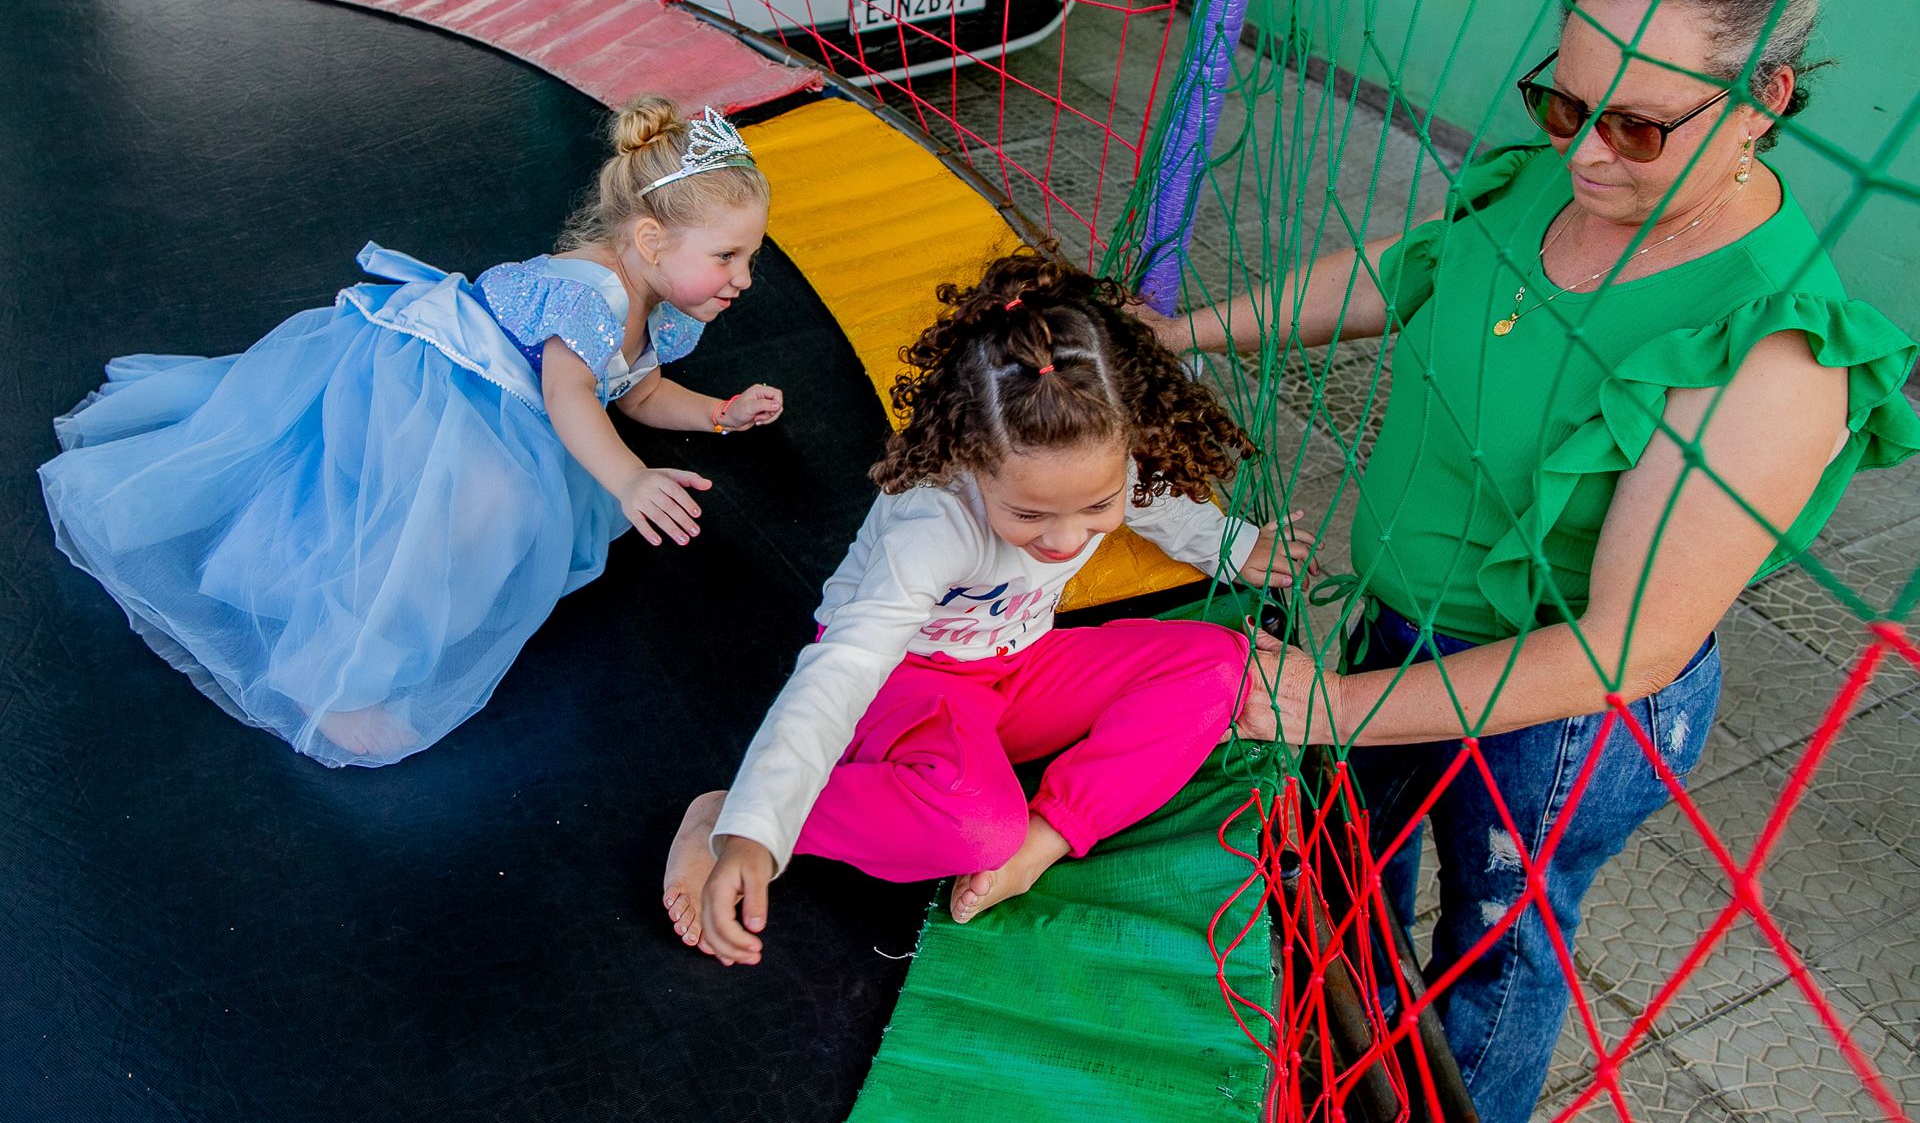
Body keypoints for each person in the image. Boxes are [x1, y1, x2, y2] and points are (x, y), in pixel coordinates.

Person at [1150, 0, 1920, 1123]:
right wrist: (1179, 333)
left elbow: (1630, 644)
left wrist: (1336, 705)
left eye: (1635, 124)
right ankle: (1325, 1072)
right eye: (1562, 104)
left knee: (1493, 949)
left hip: (1561, 715)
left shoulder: (1772, 352)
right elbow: (1411, 269)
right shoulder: (1558, 189)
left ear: (1766, 96)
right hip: (1405, 625)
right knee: (1343, 884)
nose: (1586, 155)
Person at [40, 97, 784, 768]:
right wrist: (626, 478)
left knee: (498, 501)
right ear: (651, 240)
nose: (743, 277)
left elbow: (640, 389)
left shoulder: (663, 307)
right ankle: (327, 676)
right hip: (441, 385)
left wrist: (717, 412)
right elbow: (570, 396)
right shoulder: (588, 294)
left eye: (749, 256)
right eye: (726, 256)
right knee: (480, 510)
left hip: (510, 406)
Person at [661, 249, 1306, 965]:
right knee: (974, 828)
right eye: (1029, 514)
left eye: (1095, 507)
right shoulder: (934, 517)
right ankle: (726, 814)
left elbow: (1154, 503)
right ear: (973, 462)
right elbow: (845, 666)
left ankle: (1048, 837)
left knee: (1224, 664)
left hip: (1019, 665)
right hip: (908, 681)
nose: (1064, 540)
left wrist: (1233, 545)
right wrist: (756, 828)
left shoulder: (1098, 455)